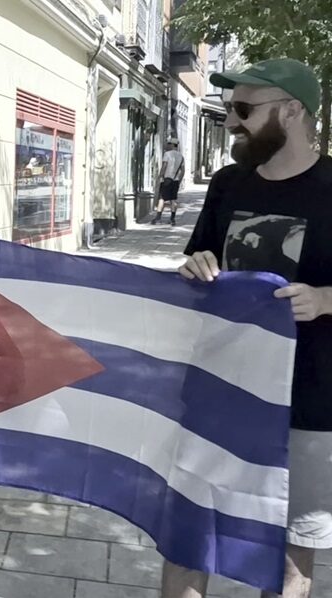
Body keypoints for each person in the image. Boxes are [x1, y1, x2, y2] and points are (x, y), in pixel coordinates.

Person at [164, 58, 332, 598]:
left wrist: (325, 299)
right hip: (218, 389)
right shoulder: (227, 184)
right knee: (189, 539)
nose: (232, 121)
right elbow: (199, 266)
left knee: (290, 558)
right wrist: (195, 268)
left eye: (243, 108)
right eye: (230, 108)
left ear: (292, 111)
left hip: (308, 405)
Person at [151, 138, 186, 225]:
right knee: (173, 199)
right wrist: (179, 180)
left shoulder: (167, 154)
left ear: (172, 145)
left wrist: (160, 176)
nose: (167, 145)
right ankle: (172, 219)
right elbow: (183, 171)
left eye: (169, 144)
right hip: (175, 180)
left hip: (167, 179)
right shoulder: (181, 156)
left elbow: (164, 166)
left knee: (162, 198)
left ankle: (158, 218)